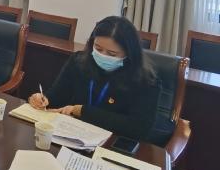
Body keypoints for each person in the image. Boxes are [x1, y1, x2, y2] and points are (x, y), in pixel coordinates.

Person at [28, 16, 162, 141]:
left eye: (112, 54)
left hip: (113, 143)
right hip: (74, 135)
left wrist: (82, 111)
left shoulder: (147, 81)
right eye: (98, 48)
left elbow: (138, 127)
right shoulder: (78, 62)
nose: (103, 56)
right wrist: (43, 99)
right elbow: (58, 95)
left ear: (130, 53)